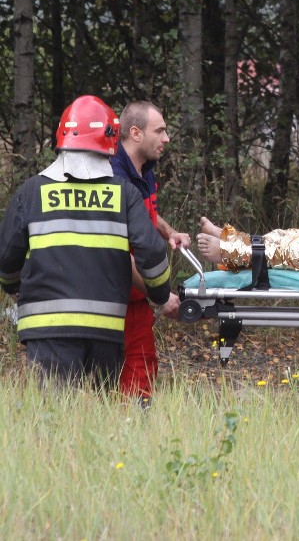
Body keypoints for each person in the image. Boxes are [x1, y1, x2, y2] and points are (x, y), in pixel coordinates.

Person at [0, 95, 172, 388]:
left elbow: (6, 259)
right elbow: (152, 254)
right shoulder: (124, 193)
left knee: (54, 417)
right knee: (100, 417)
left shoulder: (31, 192)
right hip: (106, 329)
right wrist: (160, 294)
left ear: (62, 136)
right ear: (112, 140)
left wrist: (15, 288)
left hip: (46, 329)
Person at [111, 101, 191, 404]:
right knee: (120, 377)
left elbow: (147, 216)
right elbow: (118, 250)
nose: (167, 138)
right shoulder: (114, 178)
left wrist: (170, 233)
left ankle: (135, 436)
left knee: (143, 368)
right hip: (118, 299)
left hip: (138, 301)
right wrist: (161, 294)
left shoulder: (144, 171)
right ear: (135, 133)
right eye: (160, 130)